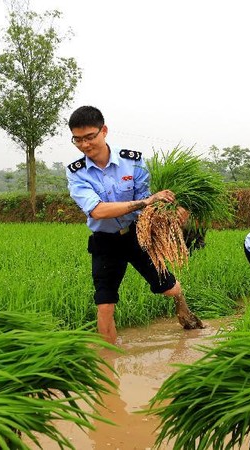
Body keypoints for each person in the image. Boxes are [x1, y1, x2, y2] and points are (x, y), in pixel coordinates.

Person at [65, 106, 204, 344]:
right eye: (77, 140)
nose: (85, 145)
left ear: (104, 131)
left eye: (90, 137)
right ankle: (109, 359)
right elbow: (98, 211)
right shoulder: (76, 173)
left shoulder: (134, 161)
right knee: (105, 303)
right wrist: (146, 201)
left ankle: (181, 305)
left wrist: (172, 209)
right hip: (104, 242)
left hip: (136, 237)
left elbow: (152, 202)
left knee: (168, 287)